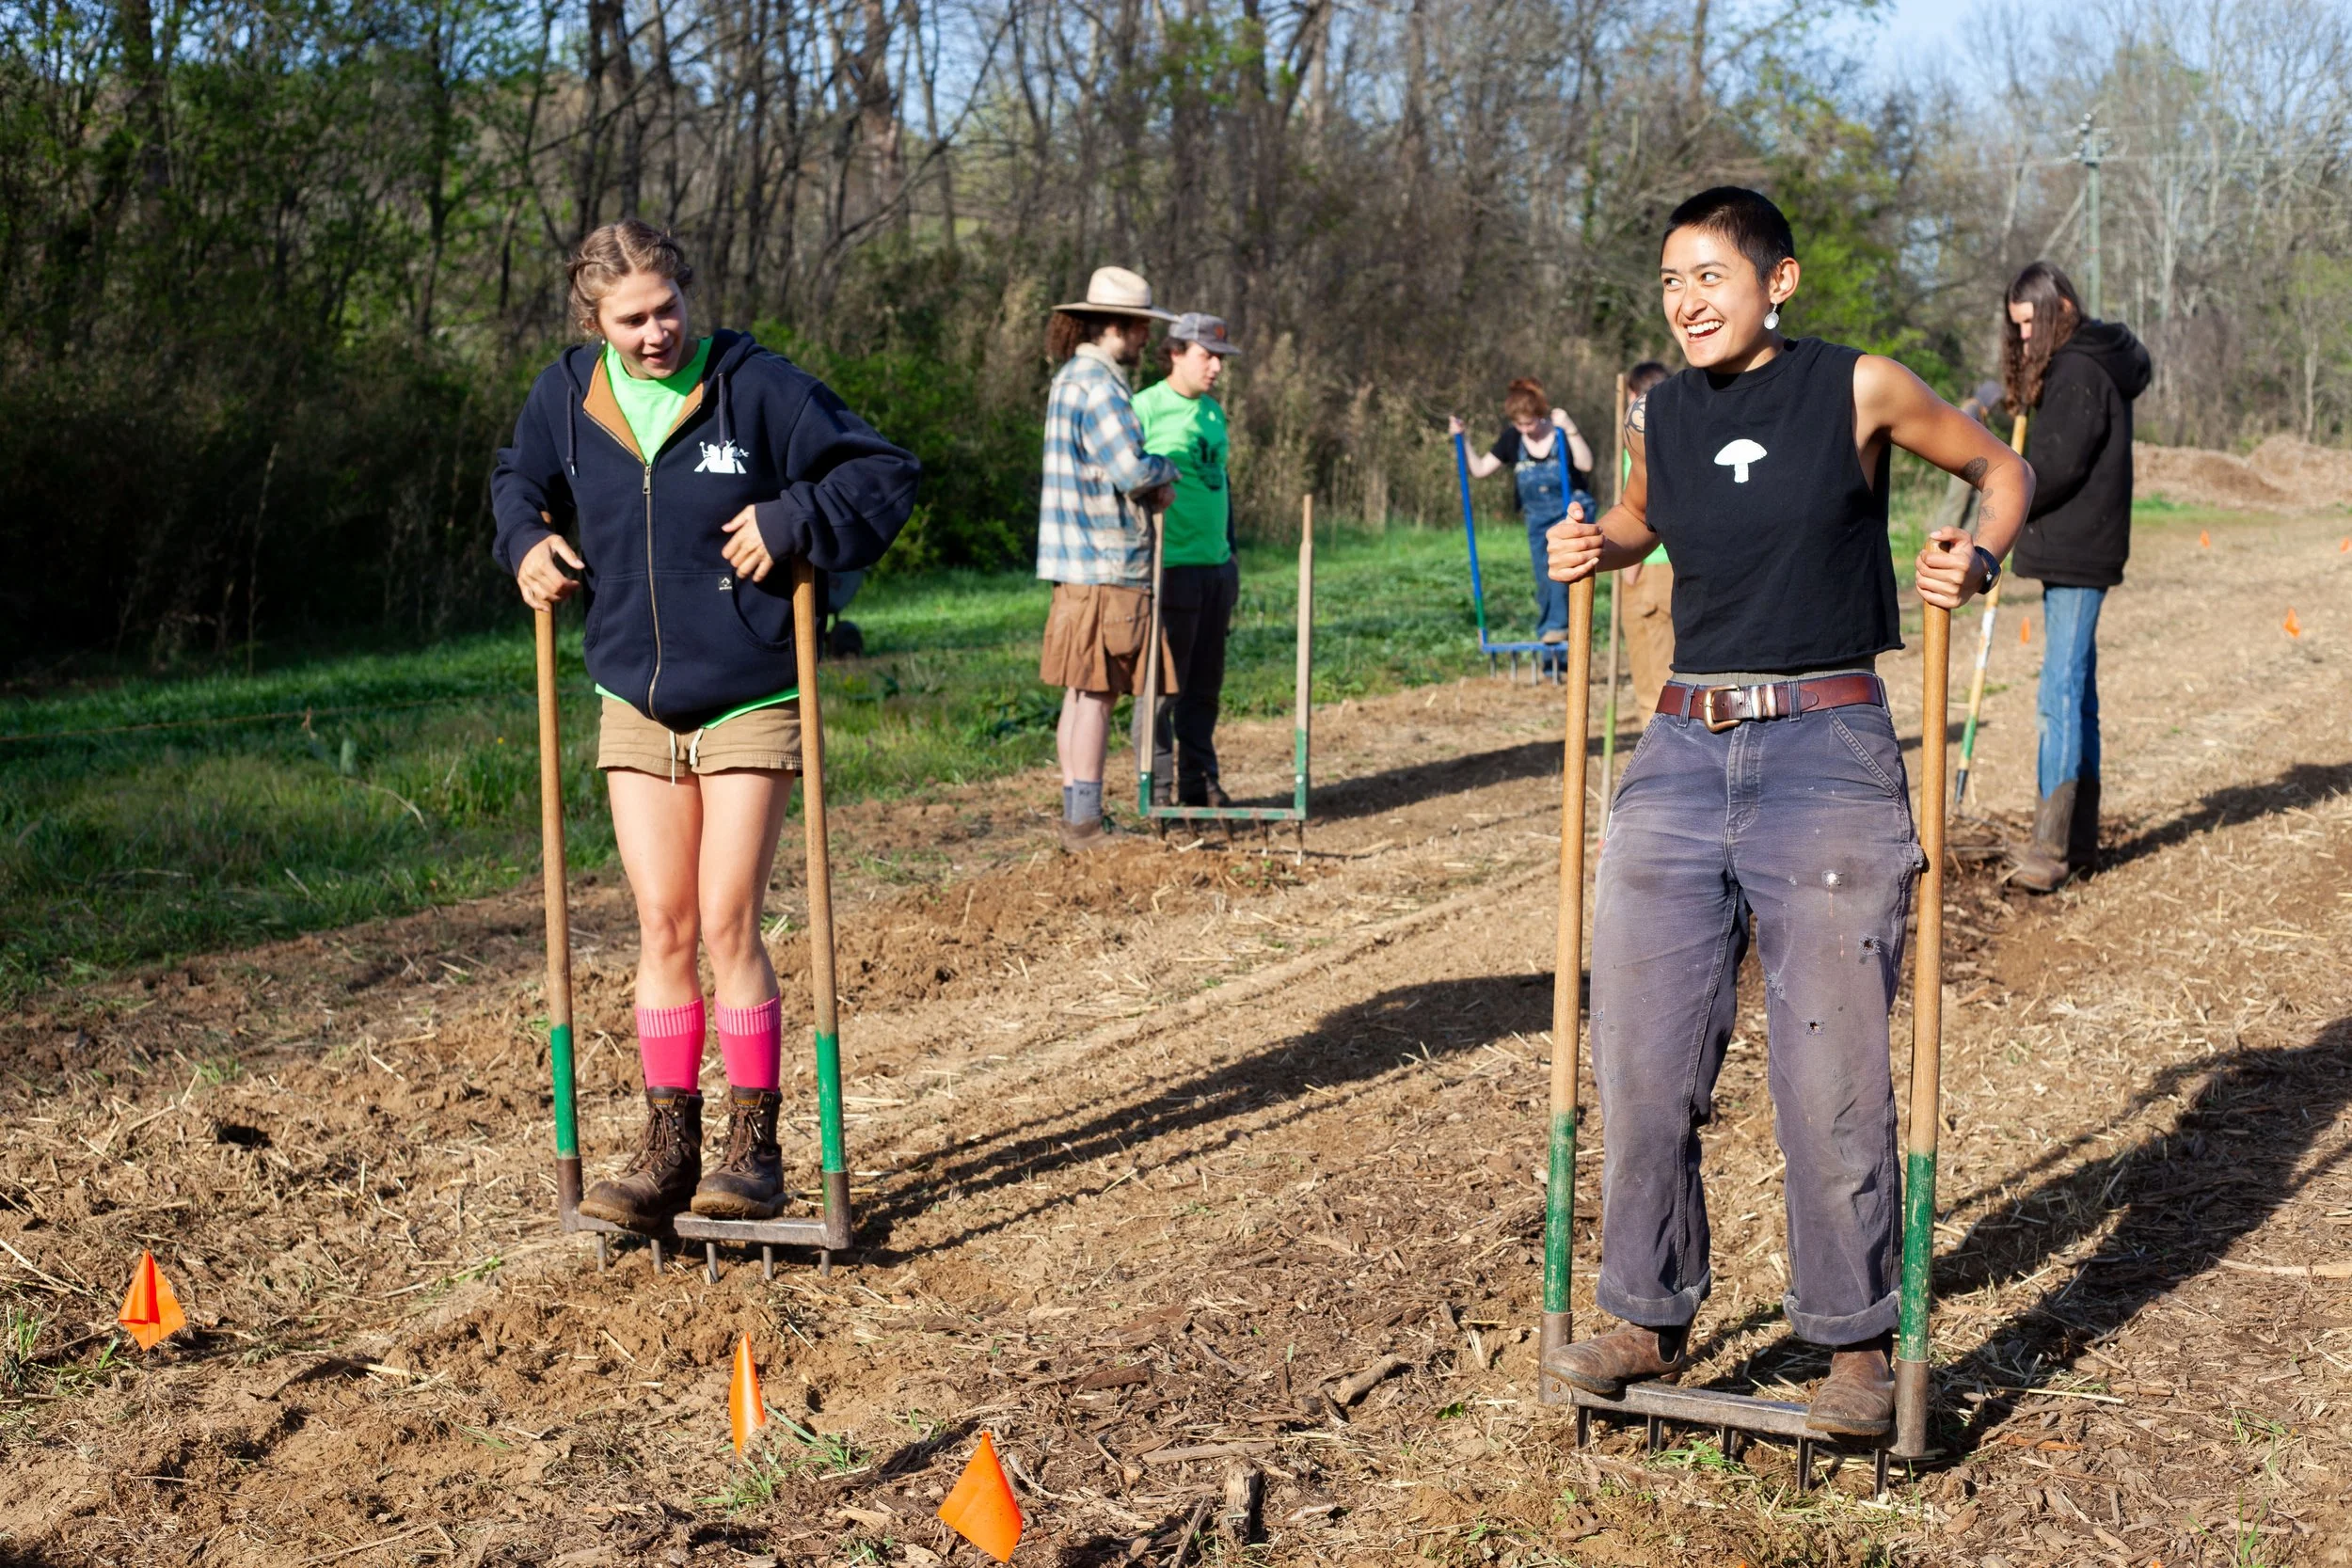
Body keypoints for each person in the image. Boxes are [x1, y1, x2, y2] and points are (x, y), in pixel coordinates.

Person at [1544, 187, 2032, 1436]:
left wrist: (1975, 553)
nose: (1688, 297)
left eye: (1712, 272)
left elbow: (2000, 466)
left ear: (1781, 281)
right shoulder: (1661, 409)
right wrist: (1598, 541)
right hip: (1679, 749)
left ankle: (1855, 1343)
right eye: (1670, 279)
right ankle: (1646, 1311)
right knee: (1642, 1056)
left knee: (1830, 1069)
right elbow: (1650, 518)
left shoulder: (1856, 386)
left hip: (1826, 747)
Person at [491, 220, 919, 1231]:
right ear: (592, 320)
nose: (655, 333)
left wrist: (792, 518)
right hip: (631, 696)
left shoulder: (755, 384)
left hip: (749, 690)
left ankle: (753, 1150)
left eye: (667, 307)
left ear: (688, 294)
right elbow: (517, 481)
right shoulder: (566, 396)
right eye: (630, 318)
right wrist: (526, 542)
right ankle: (665, 1149)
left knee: (728, 919)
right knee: (662, 923)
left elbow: (883, 471)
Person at [1999, 261, 2150, 892]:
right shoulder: (2080, 363)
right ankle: (2078, 841)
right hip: (2079, 549)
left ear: (2059, 307)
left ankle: (2051, 846)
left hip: (2079, 550)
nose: (2026, 336)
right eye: (2017, 327)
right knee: (2076, 690)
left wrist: (2001, 484)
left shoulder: (2079, 370)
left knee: (2058, 691)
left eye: (2032, 321)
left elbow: (2054, 467)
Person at [1037, 267, 1180, 850]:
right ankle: (1088, 824)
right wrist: (1166, 470)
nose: (1147, 339)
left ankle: (1078, 814)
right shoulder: (1102, 384)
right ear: (1121, 326)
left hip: (1074, 562)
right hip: (1108, 560)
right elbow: (1130, 469)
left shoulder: (1070, 378)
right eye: (1144, 327)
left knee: (1078, 691)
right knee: (1098, 692)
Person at [1134, 313, 1242, 808]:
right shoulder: (1144, 408)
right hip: (1169, 566)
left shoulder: (1214, 413)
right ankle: (1155, 793)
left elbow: (1222, 488)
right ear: (1175, 352)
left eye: (1220, 358)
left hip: (1215, 567)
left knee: (1204, 686)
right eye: (1206, 355)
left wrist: (1231, 557)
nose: (1216, 366)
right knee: (1162, 688)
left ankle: (1200, 786)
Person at [1450, 380, 1597, 654]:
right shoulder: (1512, 439)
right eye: (1520, 425)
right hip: (1537, 517)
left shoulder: (1560, 433)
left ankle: (1559, 633)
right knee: (1545, 578)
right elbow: (1481, 469)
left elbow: (1586, 464)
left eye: (1530, 423)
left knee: (1566, 577)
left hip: (1571, 511)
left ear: (1541, 414)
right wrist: (1464, 439)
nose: (1526, 430)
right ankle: (1552, 645)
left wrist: (1571, 428)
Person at [1614, 360, 1676, 721]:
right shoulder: (1688, 435)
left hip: (1649, 569)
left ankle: (1663, 765)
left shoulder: (1642, 440)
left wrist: (1630, 566)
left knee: (1652, 679)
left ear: (1636, 397)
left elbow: (1643, 510)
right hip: (1681, 567)